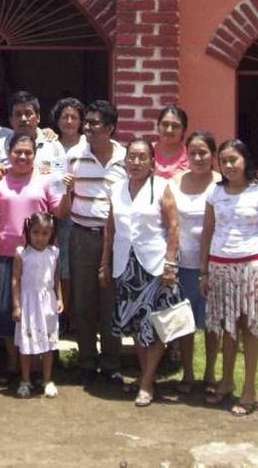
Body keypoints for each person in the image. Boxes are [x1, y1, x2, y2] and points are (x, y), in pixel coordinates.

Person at [201, 139, 258, 417]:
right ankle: (226, 381)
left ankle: (249, 389)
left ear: (245, 160)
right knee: (227, 328)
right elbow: (207, 233)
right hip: (220, 267)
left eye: (234, 159)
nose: (229, 165)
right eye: (224, 161)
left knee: (249, 328)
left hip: (251, 268)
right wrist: (204, 271)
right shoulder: (214, 193)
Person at [104, 138, 182, 407]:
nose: (136, 162)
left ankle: (147, 382)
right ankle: (145, 375)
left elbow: (173, 227)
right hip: (126, 265)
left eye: (142, 157)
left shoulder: (162, 188)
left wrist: (170, 264)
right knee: (136, 325)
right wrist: (105, 262)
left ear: (152, 162)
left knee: (156, 325)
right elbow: (110, 229)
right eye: (131, 157)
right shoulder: (116, 189)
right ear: (124, 160)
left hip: (155, 266)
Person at [0, 132, 72, 380]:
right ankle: (14, 365)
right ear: (9, 153)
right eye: (17, 152)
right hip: (5, 253)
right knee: (9, 311)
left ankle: (37, 366)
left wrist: (69, 192)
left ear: (35, 156)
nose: (23, 156)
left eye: (28, 153)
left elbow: (60, 212)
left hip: (39, 255)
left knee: (38, 309)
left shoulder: (46, 180)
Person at [66, 100, 127, 385]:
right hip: (81, 235)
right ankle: (87, 360)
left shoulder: (126, 159)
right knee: (83, 301)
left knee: (111, 301)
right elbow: (64, 196)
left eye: (94, 123)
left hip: (115, 239)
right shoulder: (74, 156)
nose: (87, 127)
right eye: (86, 122)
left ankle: (112, 362)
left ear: (111, 128)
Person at [170, 130, 221, 395]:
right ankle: (187, 372)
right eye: (193, 153)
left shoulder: (222, 183)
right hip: (182, 263)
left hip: (215, 263)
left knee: (213, 322)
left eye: (204, 153)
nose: (198, 157)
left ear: (213, 156)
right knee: (185, 320)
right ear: (186, 155)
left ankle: (210, 372)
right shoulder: (174, 182)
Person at [12, 212, 63, 399]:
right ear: (28, 232)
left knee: (48, 345)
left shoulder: (54, 253)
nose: (40, 238)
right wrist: (16, 305)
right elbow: (15, 280)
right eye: (36, 233)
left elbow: (56, 278)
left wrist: (59, 298)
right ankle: (25, 380)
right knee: (26, 344)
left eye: (45, 233)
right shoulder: (22, 254)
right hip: (28, 304)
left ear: (51, 234)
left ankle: (47, 379)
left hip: (47, 303)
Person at [50, 97, 85, 332]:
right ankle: (60, 316)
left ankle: (76, 317)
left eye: (74, 117)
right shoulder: (49, 144)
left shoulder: (87, 145)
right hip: (54, 213)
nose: (69, 121)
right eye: (65, 117)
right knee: (59, 266)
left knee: (78, 267)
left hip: (82, 214)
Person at [0, 91, 66, 178]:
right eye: (18, 114)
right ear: (11, 120)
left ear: (38, 117)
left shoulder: (53, 146)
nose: (23, 119)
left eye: (28, 113)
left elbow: (61, 180)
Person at [154, 105, 190, 179]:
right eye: (165, 124)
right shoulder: (147, 151)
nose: (169, 130)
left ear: (184, 130)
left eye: (175, 126)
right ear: (158, 126)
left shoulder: (191, 156)